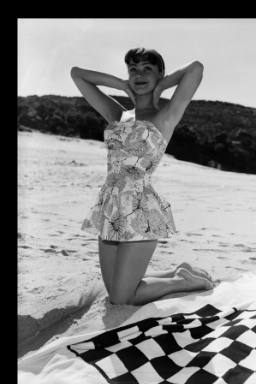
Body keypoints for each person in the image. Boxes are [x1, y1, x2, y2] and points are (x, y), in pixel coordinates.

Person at [71, 47, 214, 306]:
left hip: (140, 209)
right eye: (133, 69)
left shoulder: (166, 114)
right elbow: (78, 75)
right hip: (110, 208)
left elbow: (196, 69)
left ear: (160, 73)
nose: (139, 74)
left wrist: (160, 87)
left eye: (147, 68)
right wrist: (121, 85)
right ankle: (175, 272)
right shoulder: (118, 114)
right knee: (115, 288)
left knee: (121, 297)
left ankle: (183, 281)